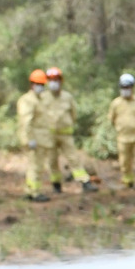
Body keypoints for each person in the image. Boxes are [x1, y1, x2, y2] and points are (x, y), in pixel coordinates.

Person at [35, 66, 99, 194]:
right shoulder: (43, 97)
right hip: (49, 135)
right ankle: (56, 185)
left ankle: (85, 182)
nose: (54, 82)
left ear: (61, 81)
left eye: (56, 79)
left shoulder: (67, 97)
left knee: (74, 159)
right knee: (52, 161)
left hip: (66, 135)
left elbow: (73, 114)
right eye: (51, 80)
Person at [18, 68, 50, 201]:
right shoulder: (28, 100)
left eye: (42, 85)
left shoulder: (39, 99)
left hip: (40, 139)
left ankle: (30, 190)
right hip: (34, 140)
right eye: (38, 84)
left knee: (35, 166)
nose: (40, 87)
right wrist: (29, 139)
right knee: (36, 167)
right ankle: (35, 192)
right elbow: (26, 122)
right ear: (32, 84)